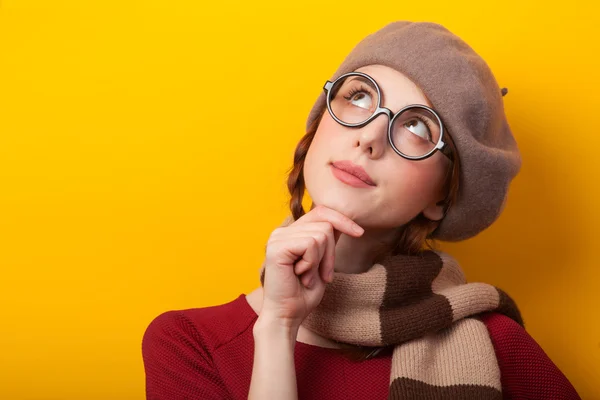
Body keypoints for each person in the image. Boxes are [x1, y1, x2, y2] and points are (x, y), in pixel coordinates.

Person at [141, 21, 581, 399]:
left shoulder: (498, 346)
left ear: (441, 198)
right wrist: (277, 328)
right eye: (358, 97)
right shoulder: (190, 344)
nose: (370, 136)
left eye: (415, 125)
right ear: (318, 127)